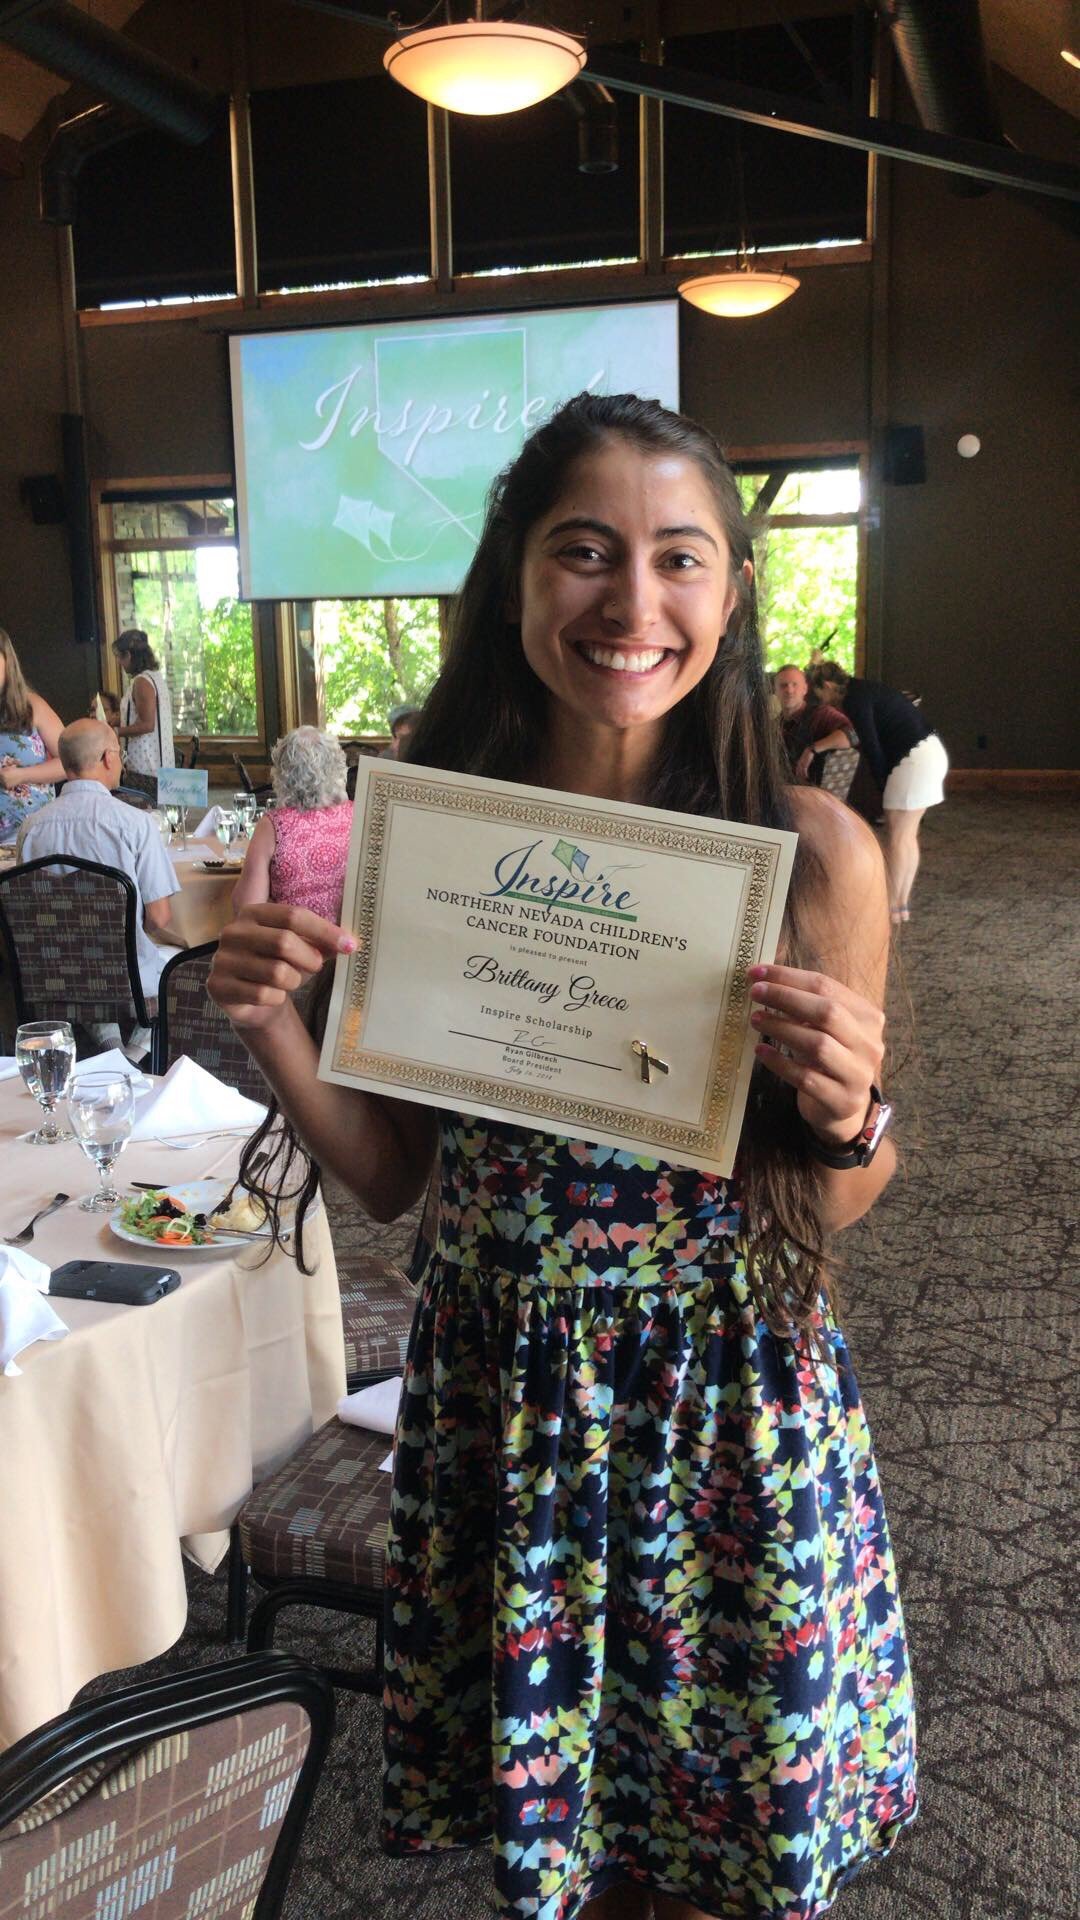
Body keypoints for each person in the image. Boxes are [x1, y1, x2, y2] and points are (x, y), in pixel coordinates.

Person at [208, 394, 917, 1920]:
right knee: (571, 1855)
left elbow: (837, 1201)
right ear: (516, 577)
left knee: (717, 1854)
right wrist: (273, 1031)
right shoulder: (432, 838)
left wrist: (850, 1112)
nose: (631, 601)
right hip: (507, 1392)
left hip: (717, 1397)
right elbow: (398, 1180)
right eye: (584, 551)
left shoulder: (815, 852)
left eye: (679, 558)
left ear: (731, 592)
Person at [17, 717, 180, 1056]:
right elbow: (159, 918)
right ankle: (133, 1056)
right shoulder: (136, 824)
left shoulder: (31, 827)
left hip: (50, 977)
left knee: (90, 968)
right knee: (183, 965)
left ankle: (112, 1053)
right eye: (119, 754)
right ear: (108, 757)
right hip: (125, 979)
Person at [808, 661, 948, 923]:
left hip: (913, 760)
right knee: (907, 835)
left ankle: (891, 906)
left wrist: (881, 786)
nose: (822, 702)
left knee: (898, 836)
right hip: (931, 753)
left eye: (819, 695)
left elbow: (871, 746)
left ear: (827, 686)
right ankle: (900, 905)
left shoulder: (855, 699)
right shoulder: (864, 689)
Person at [231, 726, 353, 923]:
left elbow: (247, 909)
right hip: (350, 939)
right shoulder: (358, 815)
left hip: (293, 939)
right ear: (339, 766)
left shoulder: (274, 825)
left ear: (282, 772)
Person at [0, 626, 66, 845]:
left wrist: (22, 775)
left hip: (33, 836)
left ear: (8, 661)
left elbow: (70, 762)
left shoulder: (31, 706)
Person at [112, 628, 175, 798]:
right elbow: (140, 714)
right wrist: (117, 720)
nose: (119, 662)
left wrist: (116, 731)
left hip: (146, 767)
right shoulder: (155, 677)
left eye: (120, 657)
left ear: (129, 655)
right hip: (159, 765)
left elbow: (147, 724)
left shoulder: (142, 682)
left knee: (144, 809)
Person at [773, 663, 856, 780]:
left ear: (805, 689)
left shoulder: (821, 714)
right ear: (775, 691)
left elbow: (851, 736)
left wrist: (812, 749)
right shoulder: (773, 726)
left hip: (815, 787)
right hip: (782, 786)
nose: (789, 690)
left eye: (795, 685)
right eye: (783, 686)